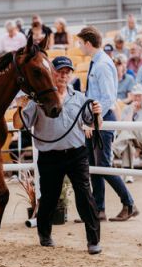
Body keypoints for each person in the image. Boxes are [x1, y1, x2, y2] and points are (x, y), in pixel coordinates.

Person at [13, 56, 102, 255]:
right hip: (49, 156)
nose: (63, 75)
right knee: (49, 199)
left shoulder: (80, 98)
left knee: (85, 196)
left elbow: (96, 124)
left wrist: (98, 113)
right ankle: (45, 234)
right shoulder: (37, 100)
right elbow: (18, 125)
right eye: (59, 71)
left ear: (71, 75)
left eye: (67, 72)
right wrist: (19, 107)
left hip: (76, 155)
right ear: (52, 73)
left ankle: (93, 240)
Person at [77, 26, 139, 222]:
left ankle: (129, 203)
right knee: (94, 166)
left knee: (103, 166)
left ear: (88, 43)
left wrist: (93, 121)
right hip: (95, 120)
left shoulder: (102, 64)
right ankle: (99, 209)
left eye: (80, 43)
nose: (79, 47)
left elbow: (108, 97)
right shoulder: (98, 62)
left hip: (102, 120)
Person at [113, 84, 142, 182]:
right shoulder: (127, 109)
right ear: (132, 96)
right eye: (135, 95)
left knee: (129, 130)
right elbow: (122, 129)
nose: (137, 98)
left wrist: (139, 128)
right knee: (128, 138)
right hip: (130, 139)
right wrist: (131, 111)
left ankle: (113, 150)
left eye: (140, 95)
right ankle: (128, 174)